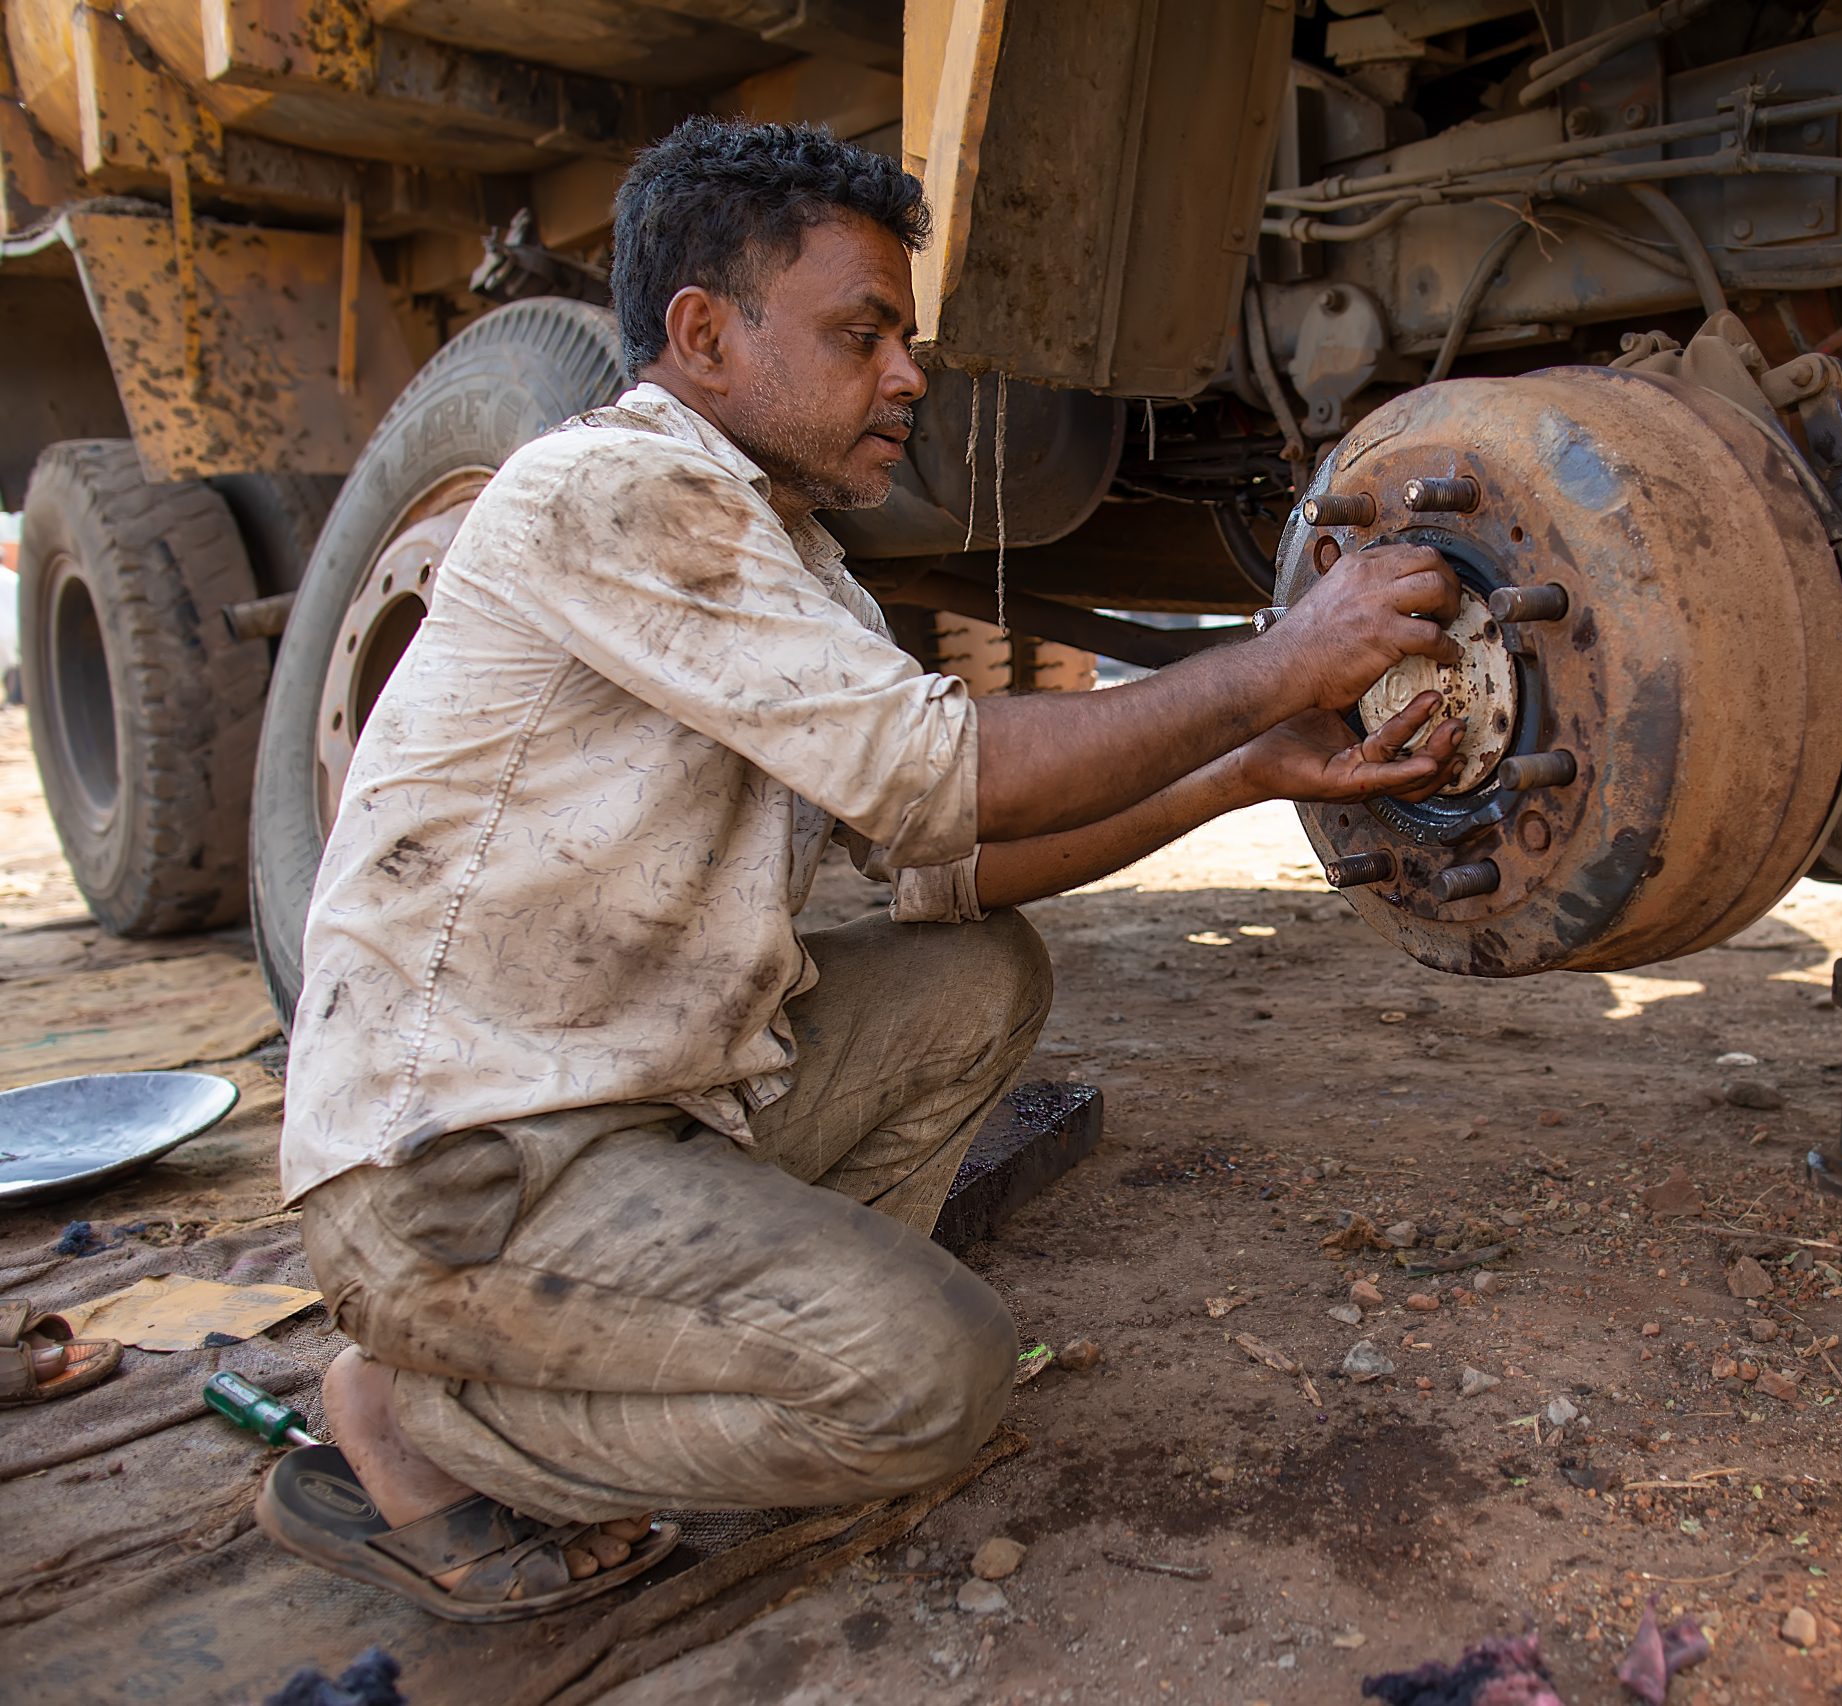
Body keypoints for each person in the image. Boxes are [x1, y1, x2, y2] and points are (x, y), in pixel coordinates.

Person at [257, 117, 1469, 1620]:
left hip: (622, 1119)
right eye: (861, 333)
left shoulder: (786, 554)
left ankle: (767, 1353)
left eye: (907, 336)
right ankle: (413, 1413)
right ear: (702, 334)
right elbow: (939, 767)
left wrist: (1245, 767)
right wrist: (1278, 662)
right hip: (457, 1172)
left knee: (974, 972)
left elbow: (947, 856)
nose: (908, 374)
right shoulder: (616, 490)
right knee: (936, 1384)